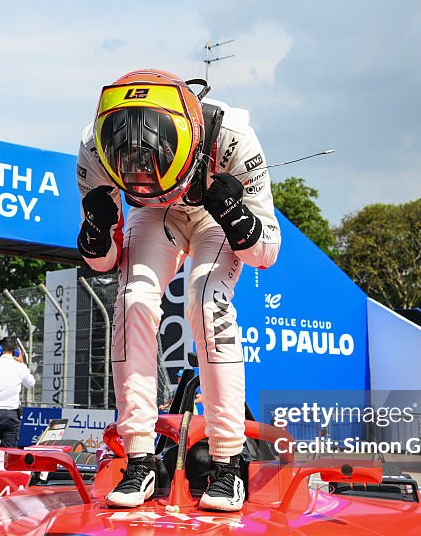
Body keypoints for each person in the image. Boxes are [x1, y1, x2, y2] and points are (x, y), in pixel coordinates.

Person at [77, 69, 281, 511]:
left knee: (208, 303)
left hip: (214, 216)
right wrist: (96, 225)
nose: (142, 175)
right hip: (156, 216)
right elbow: (101, 262)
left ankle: (227, 462)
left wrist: (233, 213)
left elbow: (266, 251)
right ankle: (139, 458)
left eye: (153, 165)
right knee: (131, 301)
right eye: (131, 168)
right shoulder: (94, 150)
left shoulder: (233, 138)